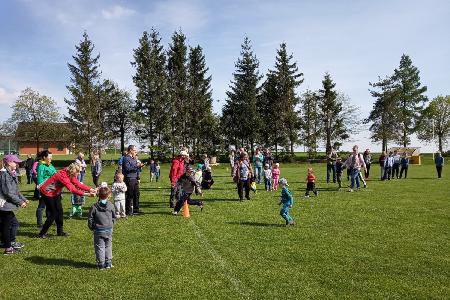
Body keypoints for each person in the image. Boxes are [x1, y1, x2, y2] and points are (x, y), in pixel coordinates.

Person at [38, 163, 97, 238]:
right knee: (54, 213)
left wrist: (91, 189)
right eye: (78, 172)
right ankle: (42, 233)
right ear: (73, 171)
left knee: (60, 211)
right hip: (47, 193)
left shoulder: (70, 174)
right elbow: (72, 189)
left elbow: (78, 184)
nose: (79, 173)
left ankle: (60, 232)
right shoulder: (63, 176)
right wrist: (88, 194)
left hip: (55, 192)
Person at [0, 154, 29, 255]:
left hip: (7, 205)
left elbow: (15, 190)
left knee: (11, 224)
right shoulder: (4, 175)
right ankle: (8, 248)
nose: (17, 164)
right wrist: (20, 202)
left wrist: (23, 198)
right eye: (15, 162)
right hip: (4, 205)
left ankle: (8, 243)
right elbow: (8, 192)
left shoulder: (11, 173)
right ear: (8, 163)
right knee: (8, 225)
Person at [88, 186, 116, 269]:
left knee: (100, 246)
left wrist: (92, 227)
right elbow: (114, 216)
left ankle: (101, 264)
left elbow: (90, 218)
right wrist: (112, 224)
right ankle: (108, 263)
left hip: (98, 230)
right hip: (108, 229)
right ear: (109, 195)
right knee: (108, 246)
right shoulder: (111, 205)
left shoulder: (94, 206)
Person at [36, 150, 56, 228]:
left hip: (52, 188)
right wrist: (41, 190)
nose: (51, 158)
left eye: (51, 157)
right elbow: (40, 179)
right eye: (49, 157)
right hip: (44, 189)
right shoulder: (41, 166)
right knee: (42, 206)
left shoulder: (50, 165)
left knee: (50, 206)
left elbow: (55, 174)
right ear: (44, 157)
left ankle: (50, 220)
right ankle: (39, 223)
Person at [122, 145, 144, 215]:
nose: (136, 151)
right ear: (130, 150)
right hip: (129, 178)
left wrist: (139, 168)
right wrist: (137, 166)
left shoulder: (134, 158)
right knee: (129, 195)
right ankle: (128, 211)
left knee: (137, 194)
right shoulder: (126, 158)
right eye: (134, 150)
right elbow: (127, 169)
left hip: (135, 179)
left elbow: (136, 169)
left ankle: (136, 210)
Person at [70, 152, 88, 218]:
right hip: (75, 202)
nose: (82, 157)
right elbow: (72, 190)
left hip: (79, 201)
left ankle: (78, 214)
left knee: (80, 183)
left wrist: (89, 190)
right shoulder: (77, 161)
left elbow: (84, 165)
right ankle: (72, 214)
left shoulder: (82, 161)